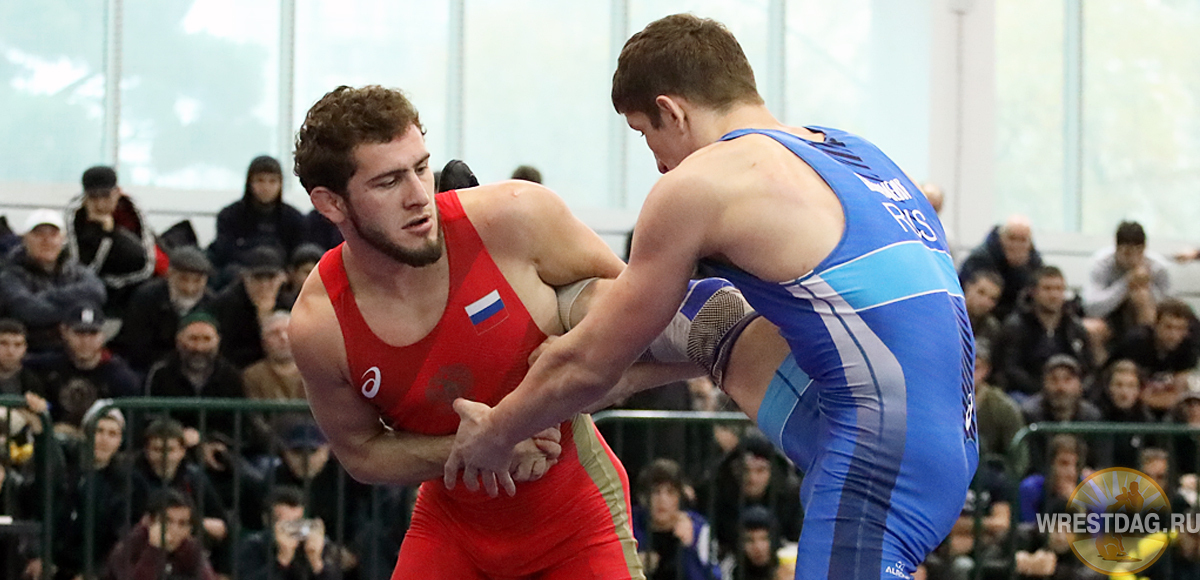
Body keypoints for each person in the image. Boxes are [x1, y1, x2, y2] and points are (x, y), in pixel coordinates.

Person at [446, 14, 977, 580]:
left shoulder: (700, 184)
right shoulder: (858, 153)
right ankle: (536, 305)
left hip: (879, 459)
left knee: (614, 337)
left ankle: (512, 282)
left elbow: (591, 364)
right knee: (705, 311)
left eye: (644, 133)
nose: (656, 160)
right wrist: (588, 386)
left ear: (671, 111)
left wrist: (496, 434)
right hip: (941, 437)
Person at [290, 85, 754, 579]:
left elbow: (662, 324)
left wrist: (573, 386)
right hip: (453, 530)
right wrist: (484, 445)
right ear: (331, 203)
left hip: (575, 518)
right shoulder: (320, 325)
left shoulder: (516, 218)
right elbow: (361, 453)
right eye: (388, 182)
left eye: (422, 167)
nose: (419, 196)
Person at [0, 209, 106, 352]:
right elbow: (28, 311)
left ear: (63, 239)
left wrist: (47, 297)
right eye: (39, 234)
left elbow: (97, 292)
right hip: (29, 352)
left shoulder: (75, 270)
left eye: (53, 235)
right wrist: (75, 312)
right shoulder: (10, 274)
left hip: (70, 354)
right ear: (25, 238)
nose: (47, 240)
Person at [66, 165, 159, 317]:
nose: (100, 204)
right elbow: (80, 267)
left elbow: (148, 265)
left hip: (129, 275)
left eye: (105, 196)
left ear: (117, 192)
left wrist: (113, 234)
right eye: (93, 197)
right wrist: (102, 234)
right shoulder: (75, 212)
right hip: (92, 275)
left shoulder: (132, 208)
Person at [111, 245, 215, 377]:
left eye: (197, 281)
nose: (189, 288)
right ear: (169, 274)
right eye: (183, 279)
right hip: (149, 366)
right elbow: (136, 347)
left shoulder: (211, 304)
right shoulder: (146, 298)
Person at [207, 155, 306, 287]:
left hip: (281, 277)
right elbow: (224, 252)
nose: (266, 187)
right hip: (239, 277)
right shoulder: (229, 216)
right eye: (260, 180)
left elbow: (299, 254)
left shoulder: (294, 218)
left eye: (272, 181)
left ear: (280, 184)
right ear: (250, 182)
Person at [1082, 220, 1171, 348]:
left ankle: (1145, 349)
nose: (1133, 259)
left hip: (1143, 315)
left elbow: (1166, 308)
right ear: (1117, 248)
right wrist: (1126, 283)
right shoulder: (1101, 263)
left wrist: (1147, 285)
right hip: (1109, 316)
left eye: (1138, 253)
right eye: (1127, 253)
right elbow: (1091, 308)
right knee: (1095, 330)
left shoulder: (1158, 267)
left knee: (1142, 295)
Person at [631, 458, 721, 580]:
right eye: (656, 492)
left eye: (670, 492)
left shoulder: (699, 528)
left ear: (680, 497)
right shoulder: (630, 524)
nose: (662, 499)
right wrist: (633, 566)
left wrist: (688, 548)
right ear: (644, 496)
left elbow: (712, 576)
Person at [105, 488, 217, 580]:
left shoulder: (189, 549)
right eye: (167, 521)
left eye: (182, 524)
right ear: (148, 521)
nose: (175, 530)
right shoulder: (128, 548)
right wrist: (154, 549)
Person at [235, 486, 341, 580]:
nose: (293, 530)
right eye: (286, 524)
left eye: (297, 522)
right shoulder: (253, 546)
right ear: (267, 520)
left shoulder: (318, 546)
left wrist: (316, 563)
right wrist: (282, 561)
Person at [958, 215, 1044, 322]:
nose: (1016, 245)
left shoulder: (1034, 263)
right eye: (1012, 238)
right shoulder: (980, 259)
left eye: (1022, 240)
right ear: (1001, 238)